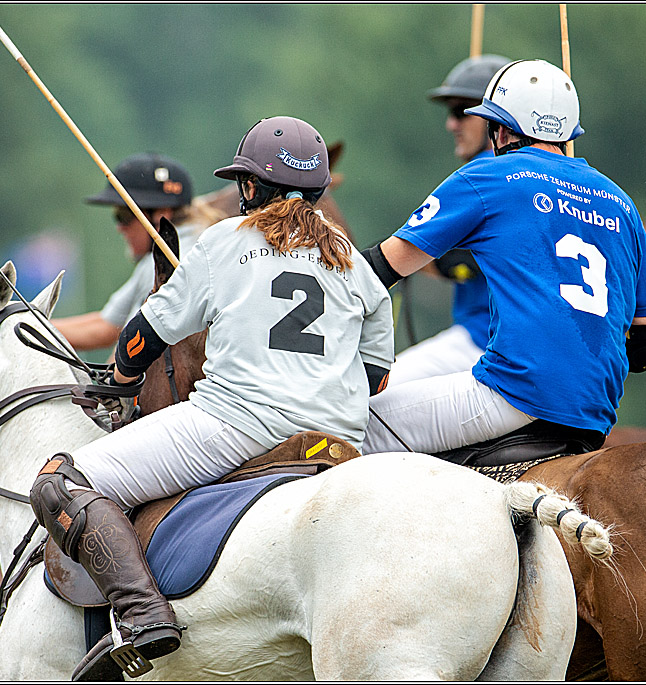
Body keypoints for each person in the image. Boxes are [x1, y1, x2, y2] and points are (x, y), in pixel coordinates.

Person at [29, 116, 394, 680]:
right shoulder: (353, 259)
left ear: (250, 188)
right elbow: (374, 377)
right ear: (320, 190)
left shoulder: (225, 240)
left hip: (233, 426)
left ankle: (142, 613)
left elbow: (145, 333)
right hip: (338, 438)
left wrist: (122, 378)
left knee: (60, 481)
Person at [360, 59, 646, 458]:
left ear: (499, 129)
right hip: (595, 413)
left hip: (512, 395)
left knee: (353, 426)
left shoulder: (489, 175)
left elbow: (381, 268)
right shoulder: (621, 202)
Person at [390, 54, 509, 383]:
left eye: (462, 112)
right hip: (536, 353)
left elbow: (460, 262)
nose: (451, 124)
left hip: (484, 342)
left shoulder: (486, 172)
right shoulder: (534, 175)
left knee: (369, 396)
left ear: (496, 120)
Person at [52, 153, 215, 351]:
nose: (119, 227)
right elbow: (106, 325)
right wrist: (23, 324)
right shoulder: (194, 246)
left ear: (161, 214)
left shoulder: (167, 261)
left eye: (124, 216)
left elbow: (127, 348)